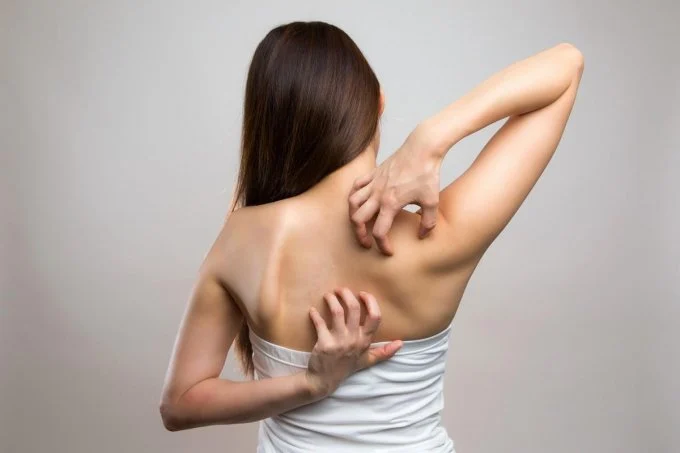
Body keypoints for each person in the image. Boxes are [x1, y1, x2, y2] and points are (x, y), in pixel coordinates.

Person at [159, 20, 584, 452]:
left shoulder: (243, 239)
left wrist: (312, 384)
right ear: (379, 102)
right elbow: (566, 66)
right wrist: (430, 139)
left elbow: (179, 404)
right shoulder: (438, 236)